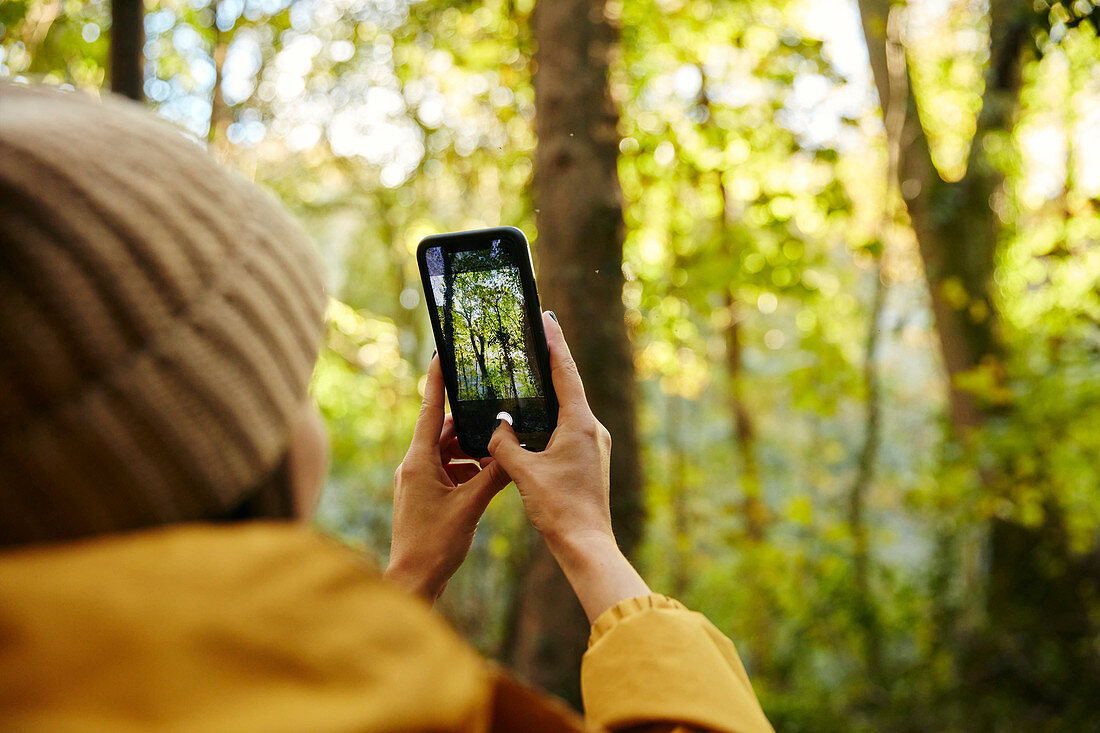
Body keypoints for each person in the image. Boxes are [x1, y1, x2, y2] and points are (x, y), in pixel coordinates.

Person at [0, 83, 774, 732]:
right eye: (291, 378)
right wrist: (586, 538)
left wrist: (407, 574)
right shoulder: (427, 708)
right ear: (229, 443)